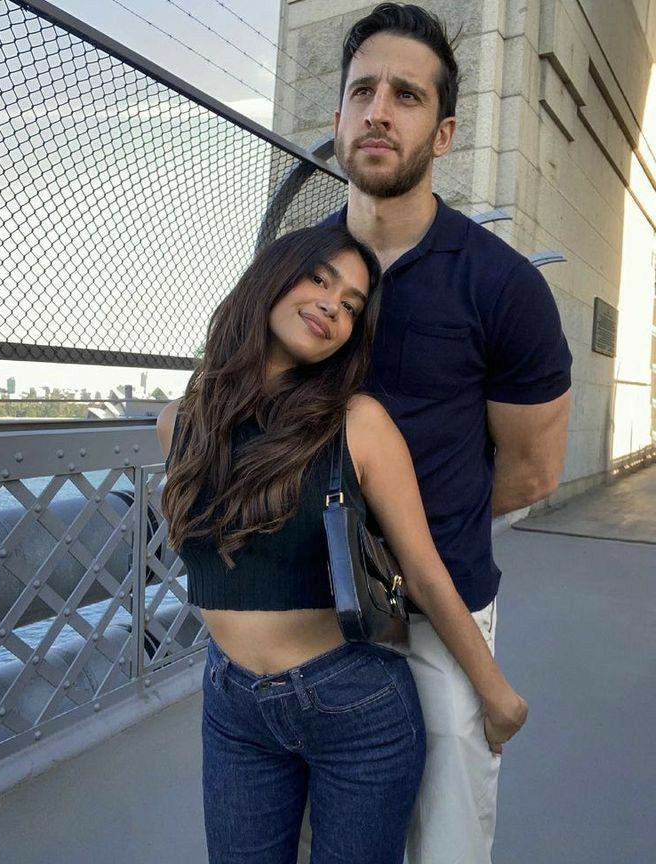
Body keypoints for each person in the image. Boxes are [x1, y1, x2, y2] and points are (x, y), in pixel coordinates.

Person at [157, 224, 528, 864]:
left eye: (353, 304)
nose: (334, 305)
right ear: (270, 279)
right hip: (232, 704)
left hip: (353, 706)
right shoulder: (182, 422)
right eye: (320, 279)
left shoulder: (358, 423)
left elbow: (422, 569)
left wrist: (498, 696)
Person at [297, 4, 573, 864]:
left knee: (446, 845)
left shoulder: (503, 287)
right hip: (308, 609)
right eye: (363, 91)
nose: (380, 110)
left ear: (443, 132)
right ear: (340, 117)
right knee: (317, 840)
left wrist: (411, 525)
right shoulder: (292, 274)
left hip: (440, 614)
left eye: (407, 95)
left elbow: (531, 473)